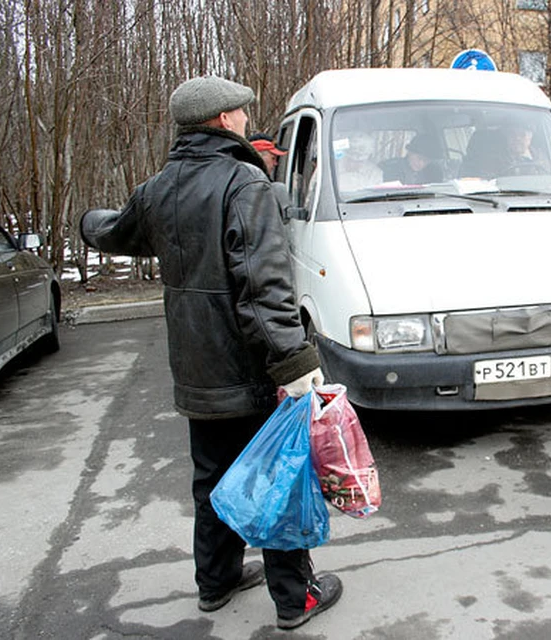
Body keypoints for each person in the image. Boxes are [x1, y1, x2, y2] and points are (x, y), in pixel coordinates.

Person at [80, 75, 342, 630]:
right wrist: (296, 366)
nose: (248, 120)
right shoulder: (244, 183)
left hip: (196, 373)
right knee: (277, 479)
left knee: (212, 479)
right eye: (243, 113)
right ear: (224, 119)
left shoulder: (159, 187)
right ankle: (297, 599)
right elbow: (263, 289)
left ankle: (216, 582)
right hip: (248, 372)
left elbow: (116, 232)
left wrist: (87, 223)